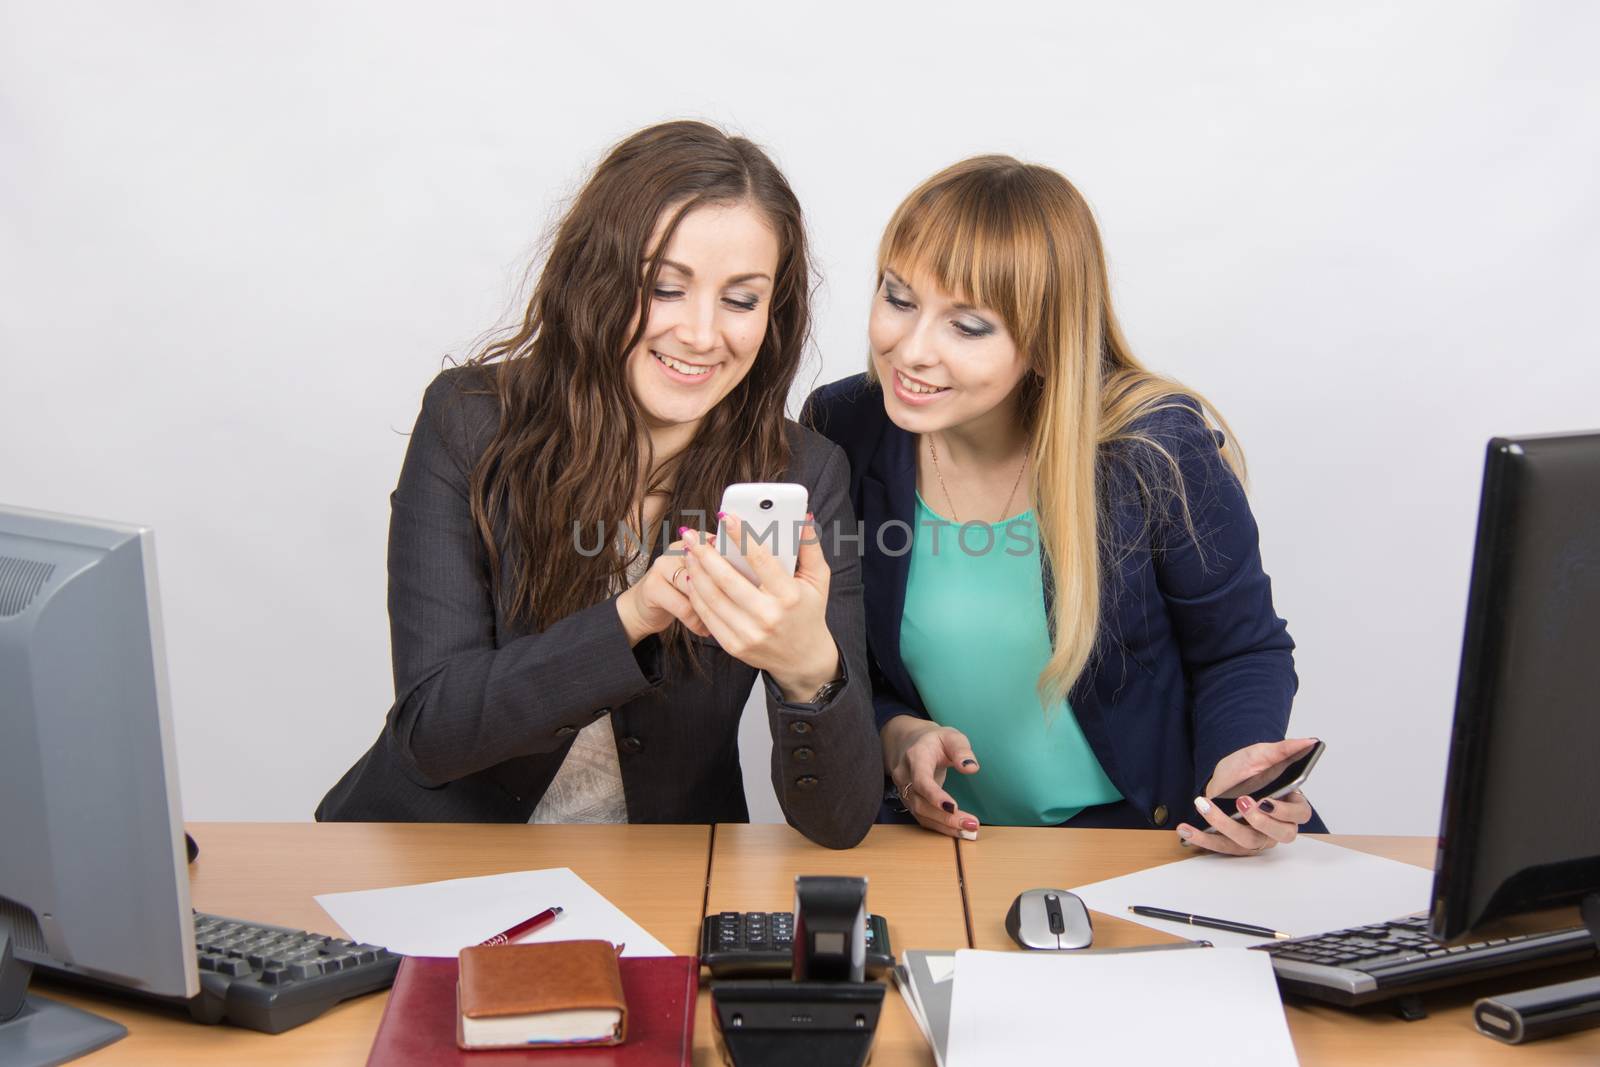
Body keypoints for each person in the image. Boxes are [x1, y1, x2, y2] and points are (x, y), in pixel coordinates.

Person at [318, 121, 880, 849]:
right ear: (597, 278)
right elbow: (433, 730)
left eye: (741, 300)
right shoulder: (470, 424)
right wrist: (634, 615)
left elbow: (838, 822)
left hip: (659, 876)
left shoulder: (803, 470)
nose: (703, 334)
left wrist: (813, 670)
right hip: (433, 858)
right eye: (665, 288)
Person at [803, 156, 1325, 854]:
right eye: (899, 299)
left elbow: (1242, 648)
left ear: (1047, 343)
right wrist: (900, 732)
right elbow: (837, 662)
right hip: (960, 848)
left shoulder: (1154, 447)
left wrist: (1236, 770)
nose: (911, 349)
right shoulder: (845, 428)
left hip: (1155, 840)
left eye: (969, 326)